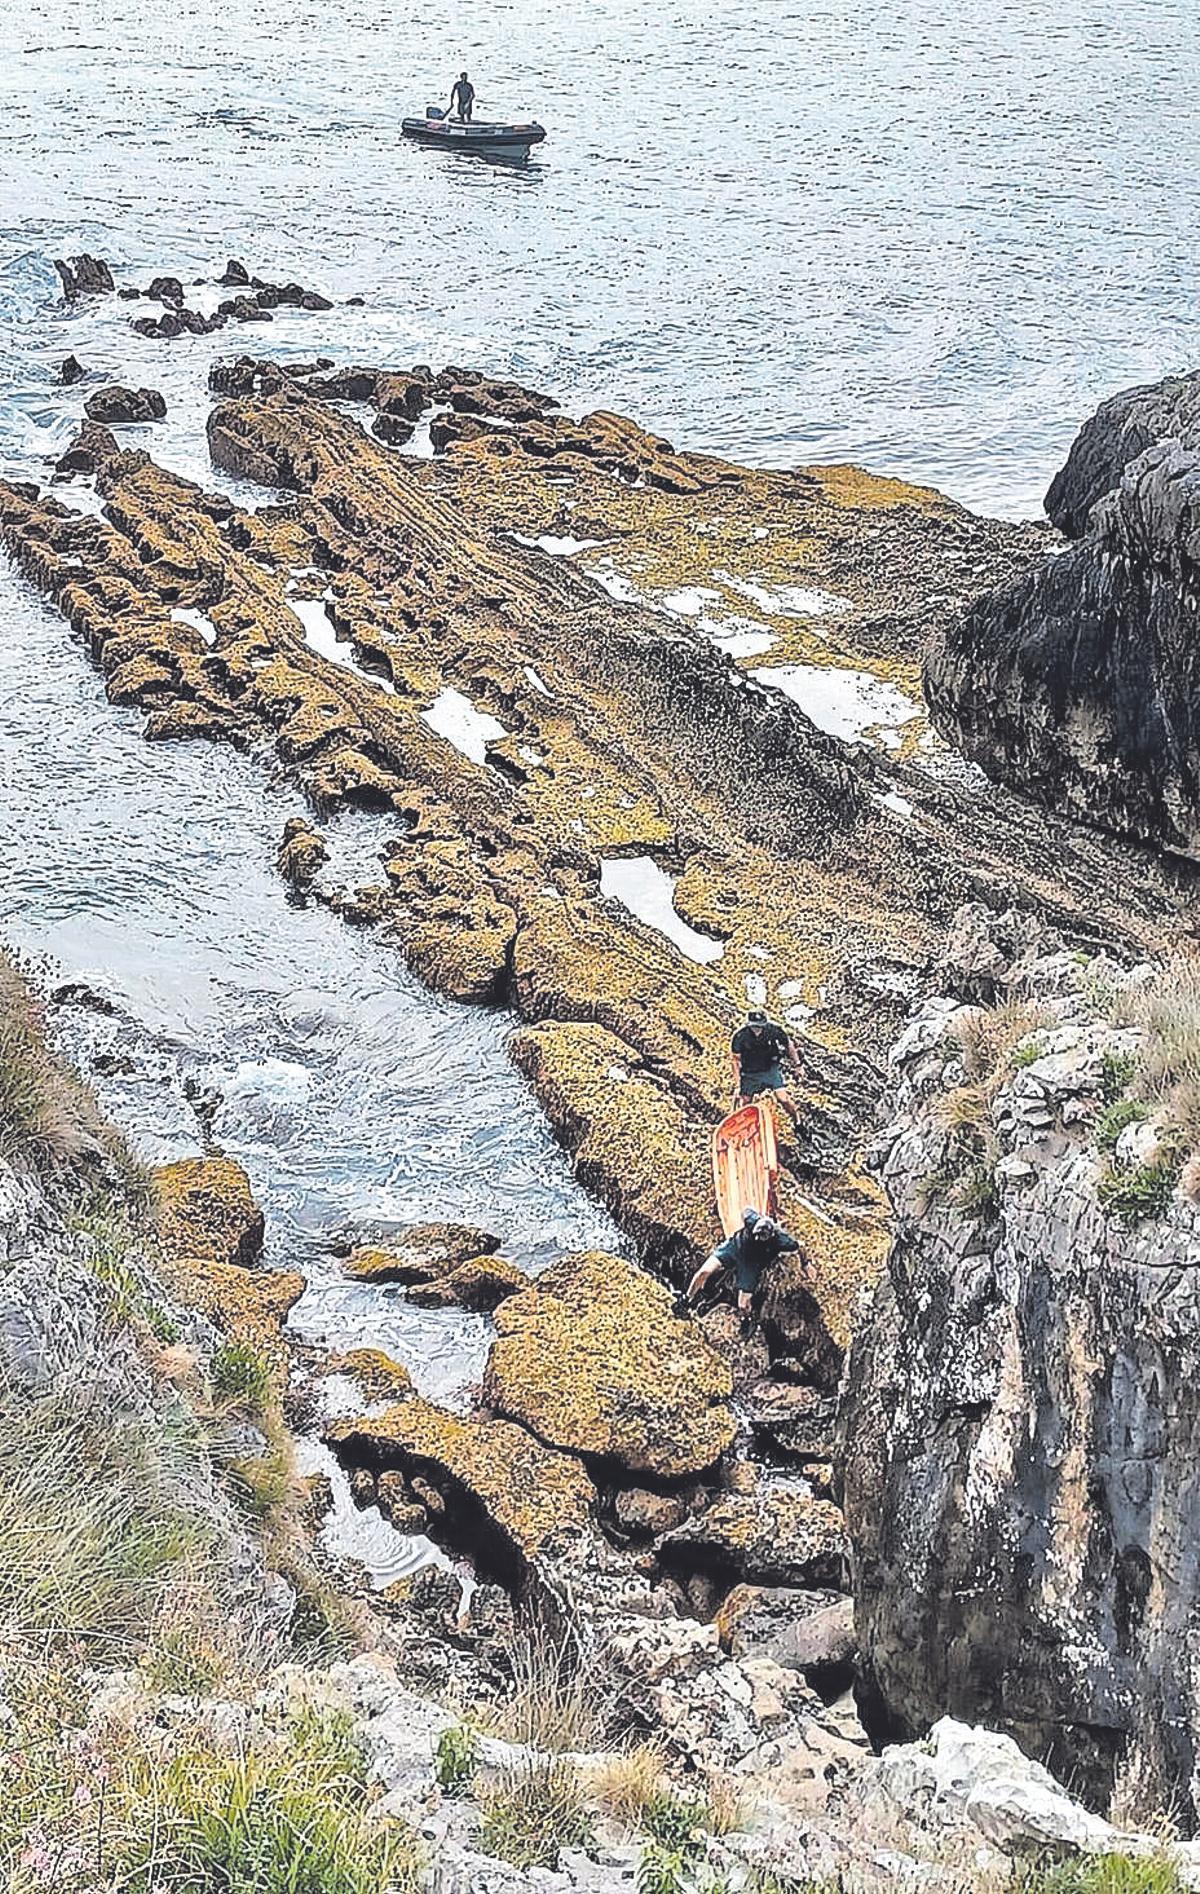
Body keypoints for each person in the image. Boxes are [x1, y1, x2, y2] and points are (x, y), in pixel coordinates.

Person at [680, 1206, 809, 1337]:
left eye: (761, 1237)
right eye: (756, 1235)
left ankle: (747, 1319)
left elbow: (800, 1246)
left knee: (743, 1304)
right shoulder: (751, 1218)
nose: (757, 1239)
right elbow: (745, 1209)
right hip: (734, 1248)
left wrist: (806, 1264)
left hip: (751, 1264)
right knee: (704, 1272)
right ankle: (686, 1299)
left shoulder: (782, 1240)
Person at [730, 1009, 799, 1121]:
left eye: (759, 1027)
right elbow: (735, 1060)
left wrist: (798, 1065)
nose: (756, 1030)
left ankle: (797, 1120)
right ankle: (748, 1126)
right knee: (745, 1102)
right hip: (750, 1072)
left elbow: (788, 1045)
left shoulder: (774, 1031)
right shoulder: (740, 1037)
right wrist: (738, 1085)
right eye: (754, 1027)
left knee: (783, 1099)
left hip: (770, 1069)